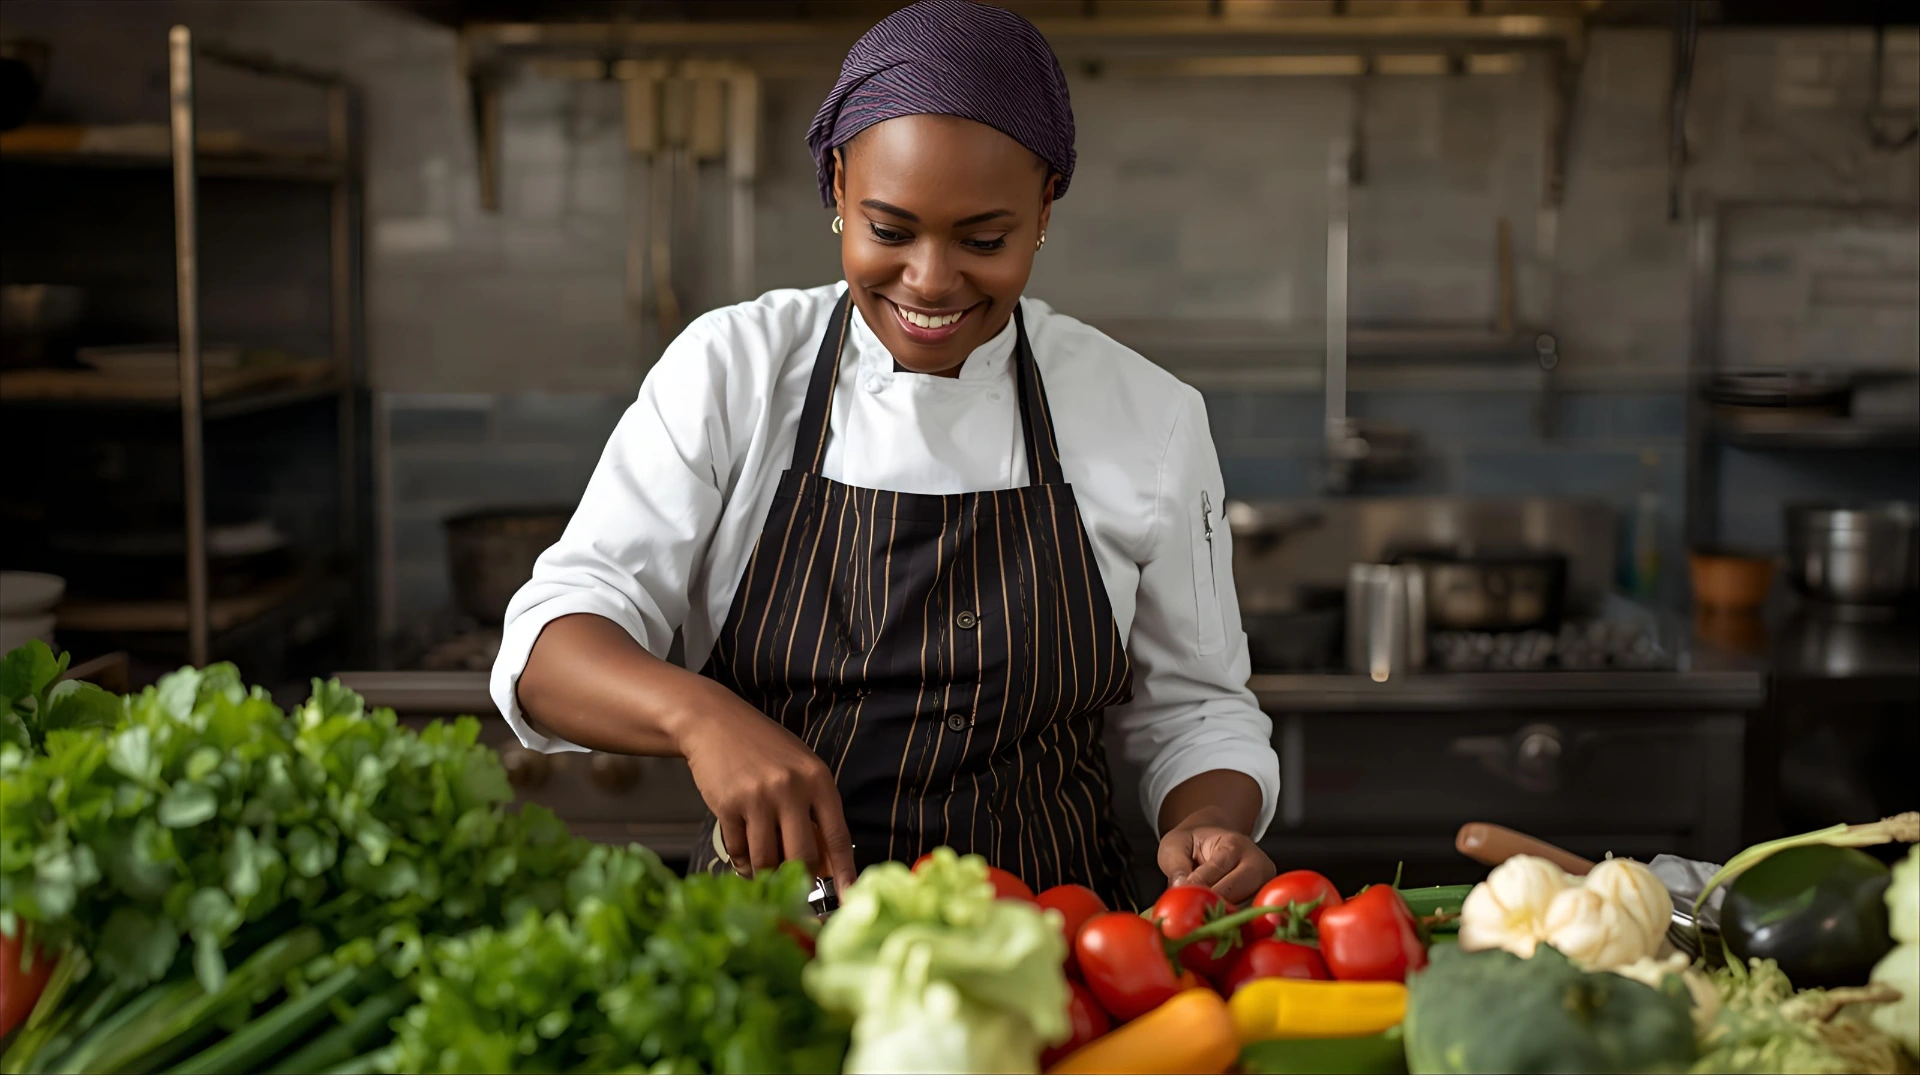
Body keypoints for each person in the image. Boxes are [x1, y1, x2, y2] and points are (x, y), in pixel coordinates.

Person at [492, 0, 1279, 906]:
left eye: (985, 240)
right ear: (836, 187)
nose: (932, 281)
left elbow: (1200, 709)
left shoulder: (1146, 415)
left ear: (1045, 205)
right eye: (891, 231)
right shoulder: (734, 371)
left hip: (1054, 960)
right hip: (775, 955)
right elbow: (547, 649)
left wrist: (1210, 824)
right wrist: (701, 718)